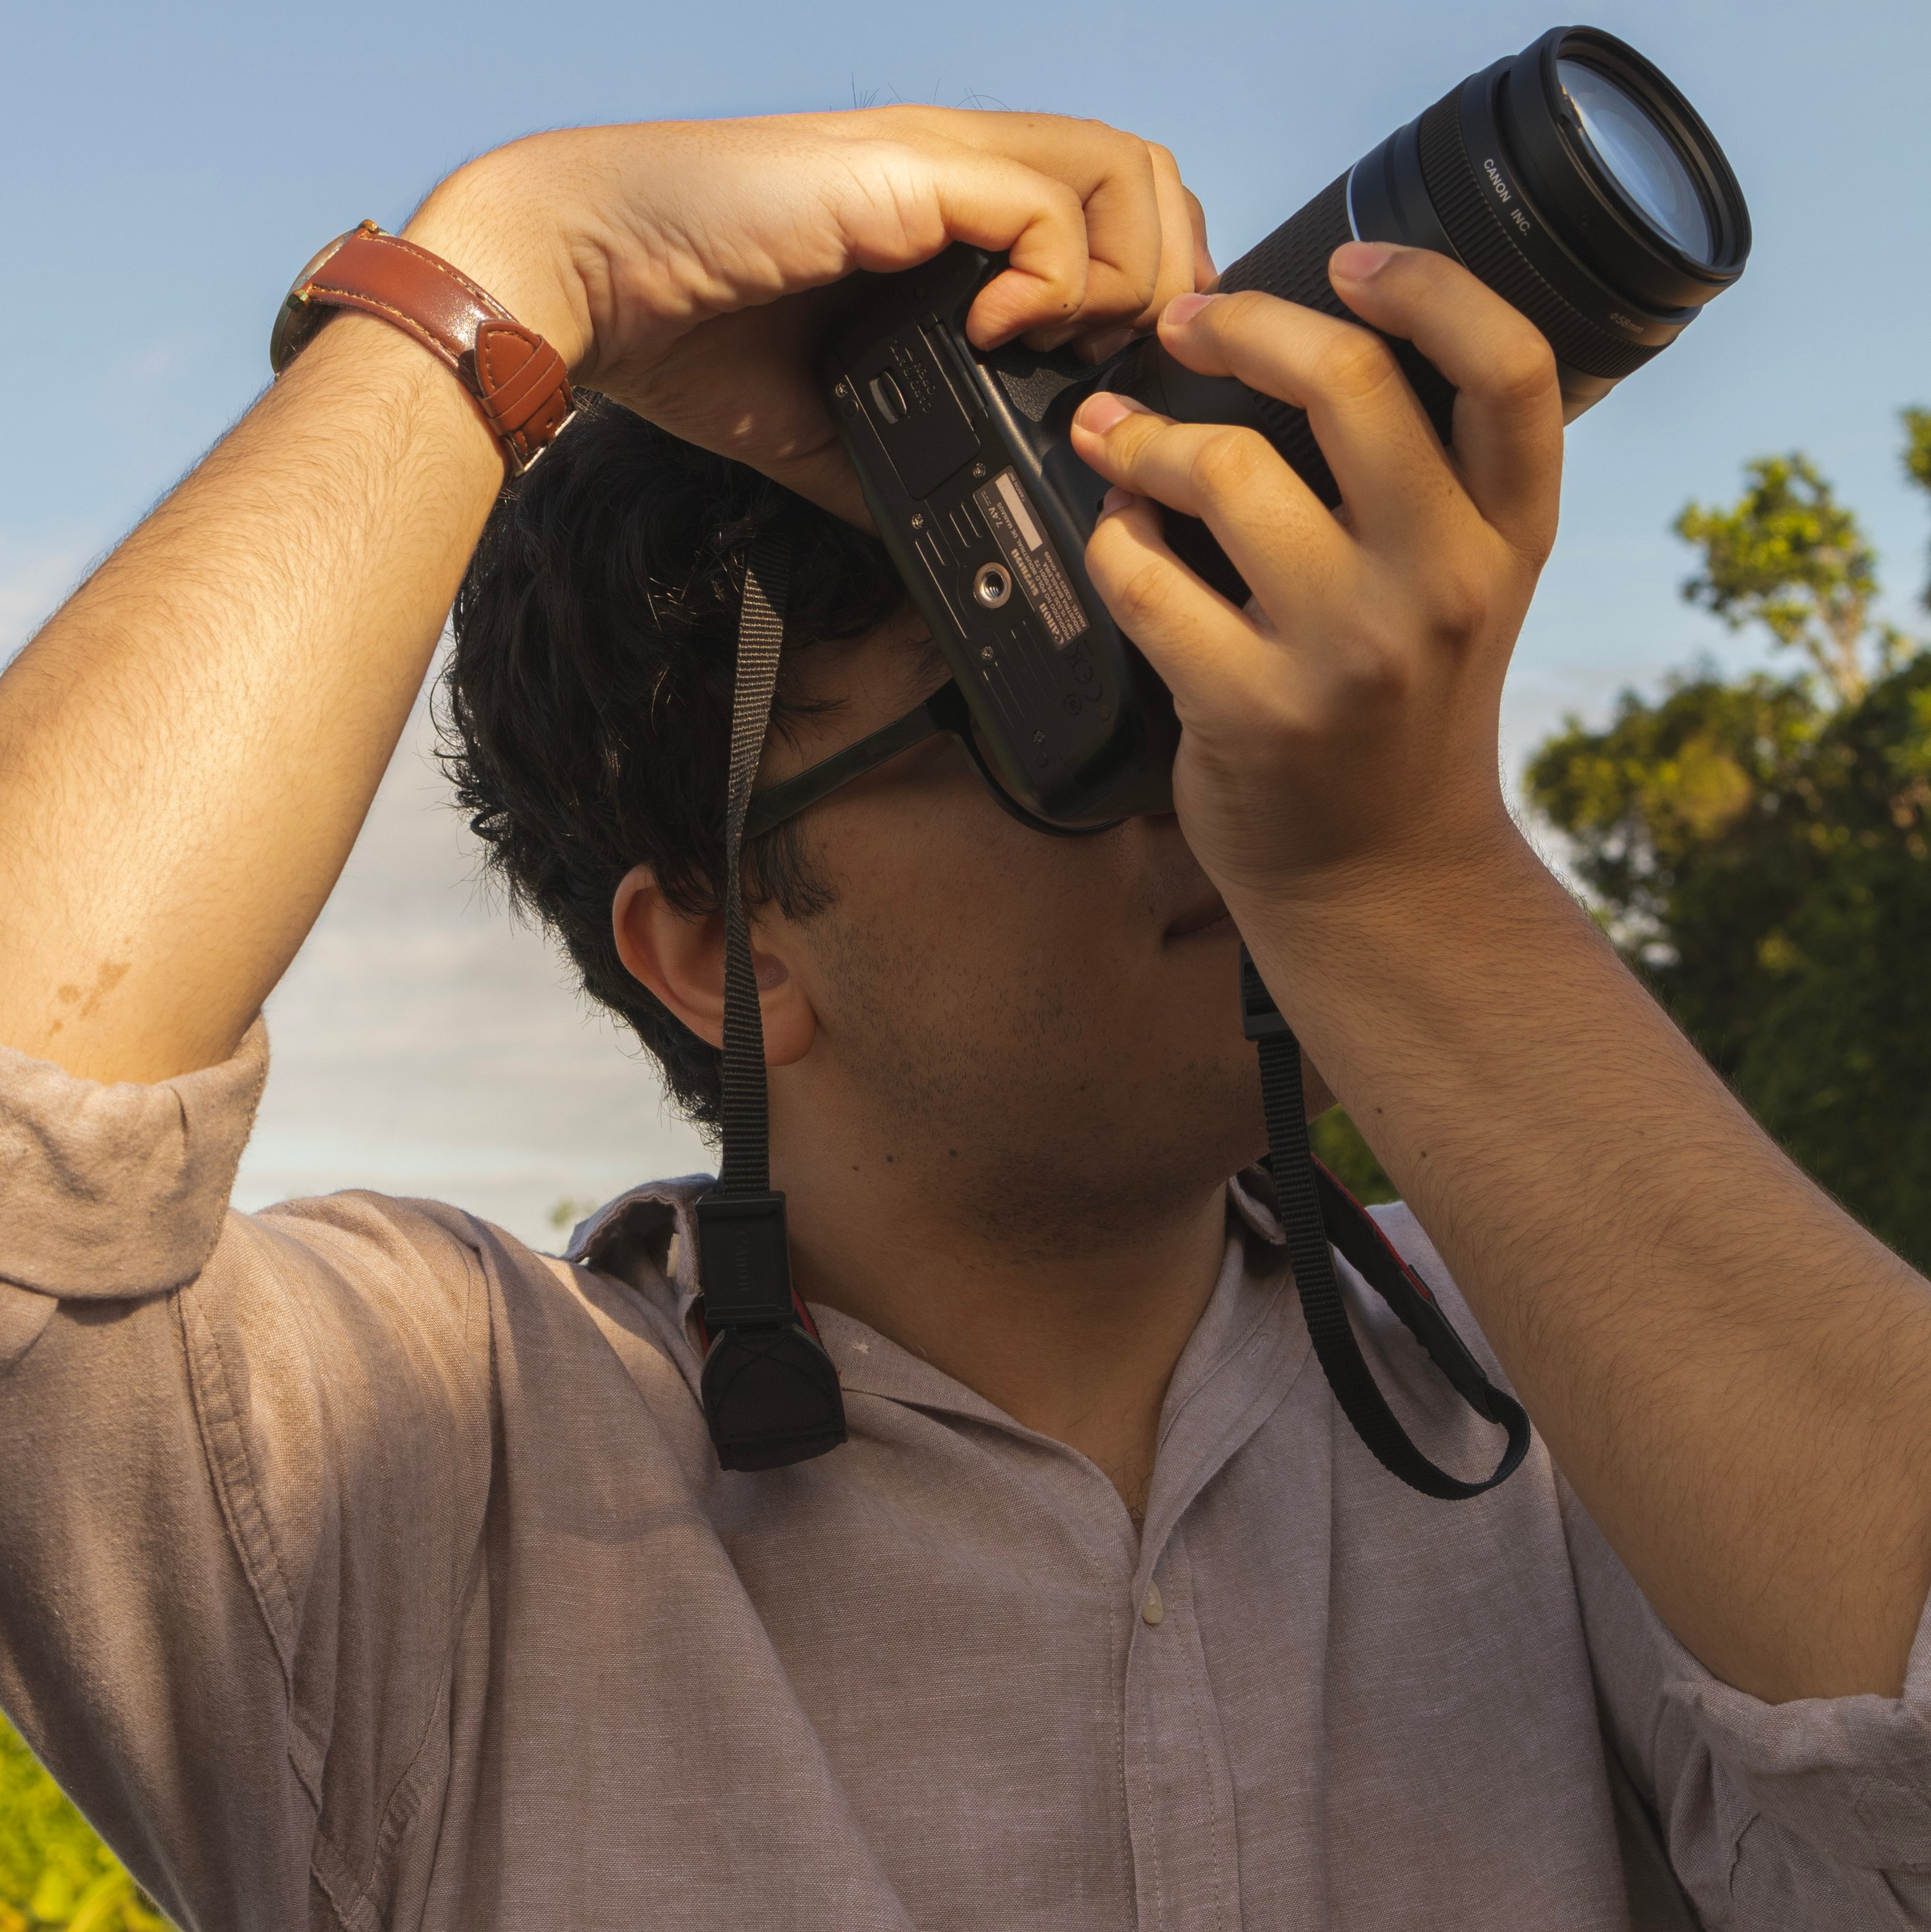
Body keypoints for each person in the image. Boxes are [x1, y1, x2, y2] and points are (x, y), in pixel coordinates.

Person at [1, 104, 1928, 1932]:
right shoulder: (434, 1469)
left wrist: (1403, 882)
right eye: (1074, 696)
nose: (1228, 767)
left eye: (1223, 622)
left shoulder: (1561, 1379)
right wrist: (513, 264)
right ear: (729, 945)